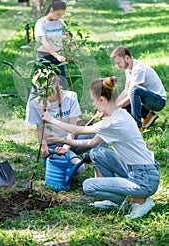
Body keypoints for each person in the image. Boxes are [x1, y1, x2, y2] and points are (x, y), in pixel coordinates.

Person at [43, 76, 160, 219]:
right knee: (97, 153)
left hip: (144, 179)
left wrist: (51, 120)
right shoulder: (120, 114)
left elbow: (78, 130)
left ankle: (140, 201)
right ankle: (114, 200)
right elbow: (91, 143)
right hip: (140, 171)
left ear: (102, 100)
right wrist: (61, 140)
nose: (93, 105)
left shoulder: (112, 122)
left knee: (89, 186)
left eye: (94, 101)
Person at [26, 70, 104, 175]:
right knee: (79, 169)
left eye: (45, 88)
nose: (42, 92)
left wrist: (66, 148)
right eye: (39, 88)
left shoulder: (70, 97)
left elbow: (72, 128)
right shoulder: (35, 103)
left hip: (71, 140)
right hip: (54, 146)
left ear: (54, 84)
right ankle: (68, 158)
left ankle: (99, 174)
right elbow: (40, 130)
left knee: (103, 134)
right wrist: (45, 148)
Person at [111, 46, 166, 131]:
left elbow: (131, 95)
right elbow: (126, 91)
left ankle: (137, 126)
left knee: (134, 90)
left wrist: (115, 107)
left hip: (158, 101)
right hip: (146, 100)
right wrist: (113, 105)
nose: (118, 66)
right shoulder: (128, 69)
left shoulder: (139, 69)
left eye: (119, 63)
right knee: (123, 107)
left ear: (127, 58)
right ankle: (147, 115)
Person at [35, 0, 70, 89]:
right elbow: (44, 42)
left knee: (62, 83)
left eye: (62, 15)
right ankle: (39, 102)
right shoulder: (41, 23)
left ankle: (61, 102)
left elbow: (67, 34)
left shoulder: (60, 22)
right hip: (44, 56)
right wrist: (56, 56)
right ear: (51, 10)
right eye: (58, 14)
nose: (59, 17)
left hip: (58, 55)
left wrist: (71, 40)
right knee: (45, 84)